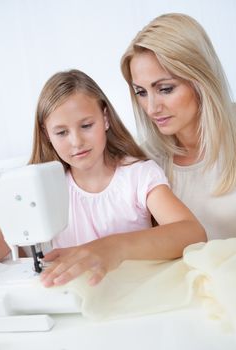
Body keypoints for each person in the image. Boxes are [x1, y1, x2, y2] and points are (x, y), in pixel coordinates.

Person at [22, 68, 206, 287]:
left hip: (136, 292)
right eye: (61, 133)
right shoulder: (42, 189)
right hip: (77, 299)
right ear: (46, 135)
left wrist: (112, 247)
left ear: (105, 118)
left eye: (86, 125)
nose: (76, 141)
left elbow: (192, 233)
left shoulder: (139, 175)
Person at [121, 13, 236, 241]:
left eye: (165, 89)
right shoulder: (145, 161)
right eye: (141, 92)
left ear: (200, 79)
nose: (152, 108)